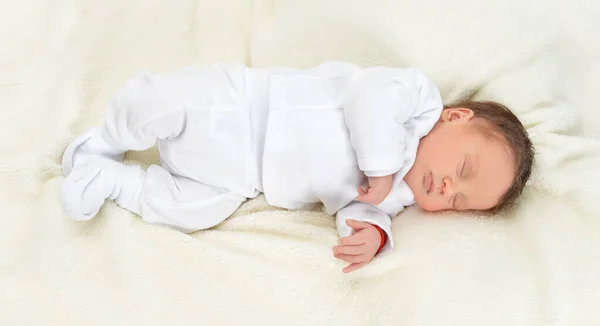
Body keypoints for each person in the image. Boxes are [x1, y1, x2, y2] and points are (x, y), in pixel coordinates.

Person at [60, 62, 534, 273]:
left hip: (245, 178)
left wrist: (371, 231)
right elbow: (366, 95)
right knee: (164, 103)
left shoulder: (396, 199)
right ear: (456, 117)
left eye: (457, 200)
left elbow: (357, 207)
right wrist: (383, 167)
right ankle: (105, 140)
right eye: (463, 168)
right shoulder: (417, 101)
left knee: (196, 211)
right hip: (243, 108)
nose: (449, 186)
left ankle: (112, 181)